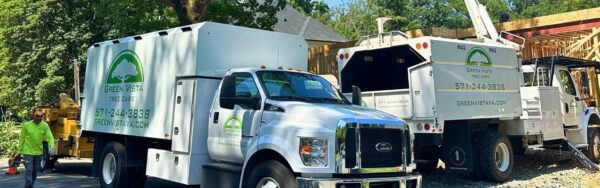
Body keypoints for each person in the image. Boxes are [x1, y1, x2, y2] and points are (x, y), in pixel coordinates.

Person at [16, 111, 54, 188]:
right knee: (29, 171)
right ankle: (29, 186)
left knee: (34, 172)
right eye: (37, 116)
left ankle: (31, 184)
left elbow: (50, 137)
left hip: (39, 152)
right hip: (27, 152)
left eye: (41, 116)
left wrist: (51, 147)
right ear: (33, 116)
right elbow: (22, 138)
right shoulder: (27, 125)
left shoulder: (44, 125)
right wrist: (19, 151)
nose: (39, 118)